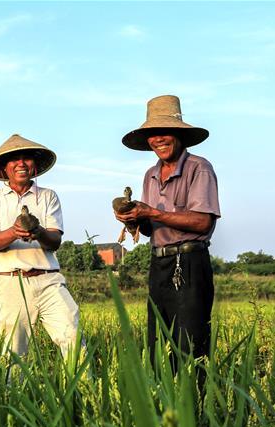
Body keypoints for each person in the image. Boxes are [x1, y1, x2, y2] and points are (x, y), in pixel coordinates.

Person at [115, 95, 220, 386]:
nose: (158, 140)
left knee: (190, 341)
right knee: (159, 339)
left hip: (189, 260)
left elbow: (202, 221)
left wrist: (149, 212)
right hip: (158, 262)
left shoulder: (199, 168)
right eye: (152, 135)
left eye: (164, 133)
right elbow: (152, 228)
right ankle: (165, 402)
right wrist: (135, 220)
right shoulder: (150, 175)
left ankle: (196, 406)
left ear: (180, 135)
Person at [0, 134, 82, 361]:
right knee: (14, 352)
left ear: (34, 165)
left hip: (48, 280)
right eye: (14, 159)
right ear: (4, 168)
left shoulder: (48, 196)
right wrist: (14, 231)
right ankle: (13, 396)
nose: (21, 163)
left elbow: (54, 241)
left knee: (72, 335)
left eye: (27, 158)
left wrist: (37, 231)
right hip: (9, 281)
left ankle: (83, 392)